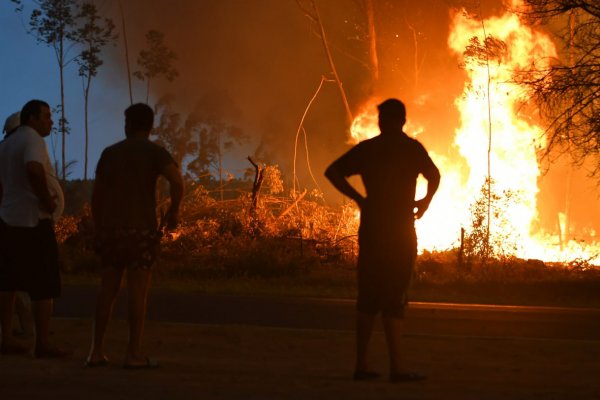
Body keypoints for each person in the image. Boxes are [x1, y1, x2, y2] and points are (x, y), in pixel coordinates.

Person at [325, 98, 440, 383]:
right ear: (402, 120)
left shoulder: (369, 149)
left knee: (367, 298)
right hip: (400, 232)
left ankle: (362, 366)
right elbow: (434, 175)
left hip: (373, 231)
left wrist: (360, 200)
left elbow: (333, 172)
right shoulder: (411, 149)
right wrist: (424, 202)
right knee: (394, 298)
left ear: (383, 121)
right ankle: (398, 368)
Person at [86, 103, 183, 368]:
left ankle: (96, 351)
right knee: (138, 293)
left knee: (107, 290)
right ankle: (133, 354)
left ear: (129, 124)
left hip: (112, 230)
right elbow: (177, 180)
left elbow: (98, 195)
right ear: (150, 126)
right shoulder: (155, 153)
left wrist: (99, 225)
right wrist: (173, 212)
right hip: (141, 231)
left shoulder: (111, 153)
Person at [0, 101, 68, 358]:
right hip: (33, 221)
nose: (50, 122)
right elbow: (33, 169)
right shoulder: (32, 140)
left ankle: (5, 338)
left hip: (8, 220)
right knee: (45, 284)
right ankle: (42, 343)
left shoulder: (5, 146)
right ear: (32, 118)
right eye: (47, 116)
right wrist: (46, 200)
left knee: (7, 283)